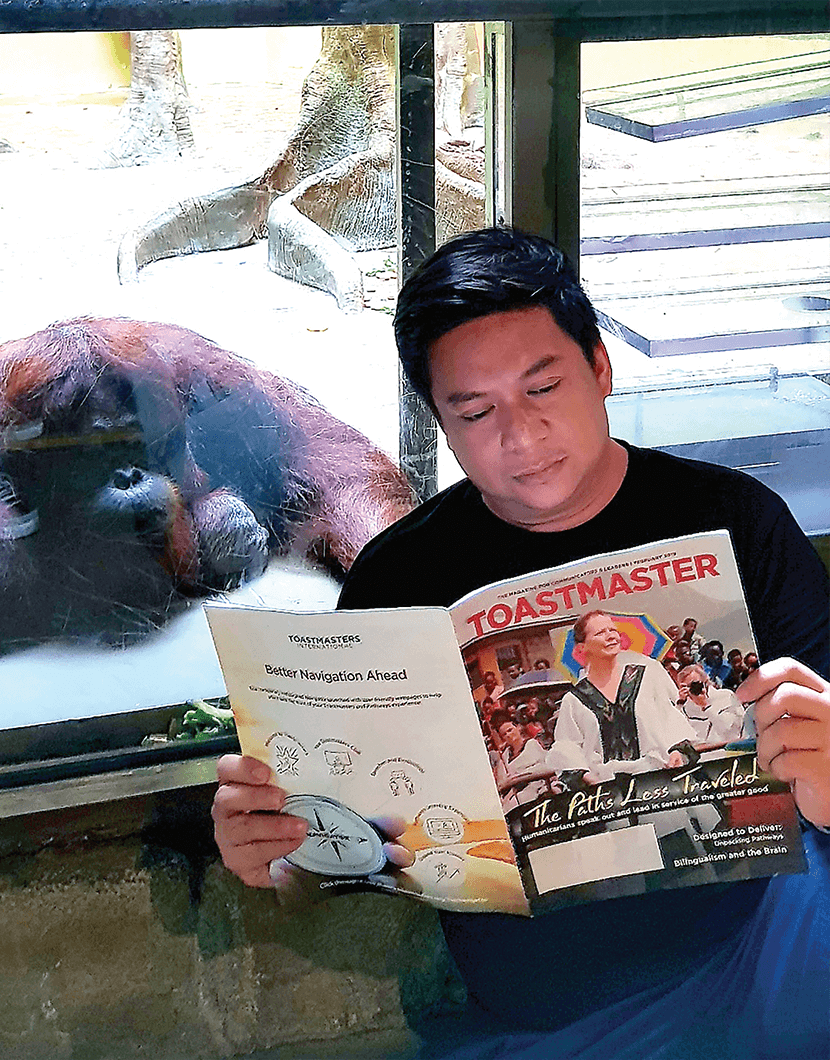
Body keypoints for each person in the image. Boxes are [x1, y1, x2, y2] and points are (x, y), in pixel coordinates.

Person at [212, 227, 830, 1059]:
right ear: (440, 420)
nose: (522, 434)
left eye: (545, 388)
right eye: (475, 411)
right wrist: (277, 858)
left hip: (760, 947)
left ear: (601, 370)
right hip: (547, 1015)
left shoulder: (738, 521)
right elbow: (336, 864)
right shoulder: (400, 578)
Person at [547, 610, 697, 782]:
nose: (610, 636)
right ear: (582, 647)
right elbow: (567, 746)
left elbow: (669, 716)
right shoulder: (574, 700)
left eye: (612, 630)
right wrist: (588, 777)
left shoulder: (647, 675)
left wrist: (676, 750)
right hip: (606, 789)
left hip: (657, 777)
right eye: (600, 633)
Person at [676, 662, 746, 743]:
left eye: (695, 684)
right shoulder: (685, 708)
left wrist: (705, 706)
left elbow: (730, 733)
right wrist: (680, 704)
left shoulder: (726, 696)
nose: (693, 689)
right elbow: (677, 733)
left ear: (706, 682)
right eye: (686, 686)